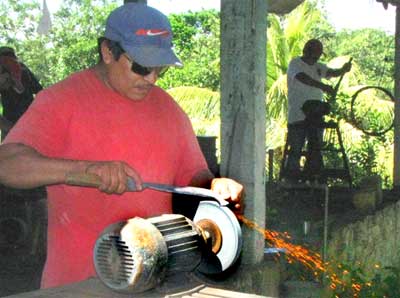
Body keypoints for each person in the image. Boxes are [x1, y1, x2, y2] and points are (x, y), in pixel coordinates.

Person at [0, 3, 243, 289]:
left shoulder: (168, 110)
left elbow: (192, 177)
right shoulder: (61, 101)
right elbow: (8, 164)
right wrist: (84, 170)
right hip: (77, 286)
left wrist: (215, 186)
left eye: (159, 68)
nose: (151, 78)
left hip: (153, 282)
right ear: (108, 51)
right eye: (141, 66)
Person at [284, 39, 352, 182]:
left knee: (315, 149)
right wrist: (323, 87)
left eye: (319, 54)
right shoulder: (295, 63)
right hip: (298, 116)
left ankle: (312, 179)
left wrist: (342, 70)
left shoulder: (319, 66)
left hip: (316, 116)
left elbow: (332, 72)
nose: (318, 57)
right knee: (295, 150)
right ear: (308, 51)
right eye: (316, 53)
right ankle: (291, 183)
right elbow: (304, 78)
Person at [0, 46, 43, 139]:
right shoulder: (17, 69)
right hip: (14, 121)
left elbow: (40, 92)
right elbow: (40, 92)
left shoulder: (23, 70)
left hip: (29, 120)